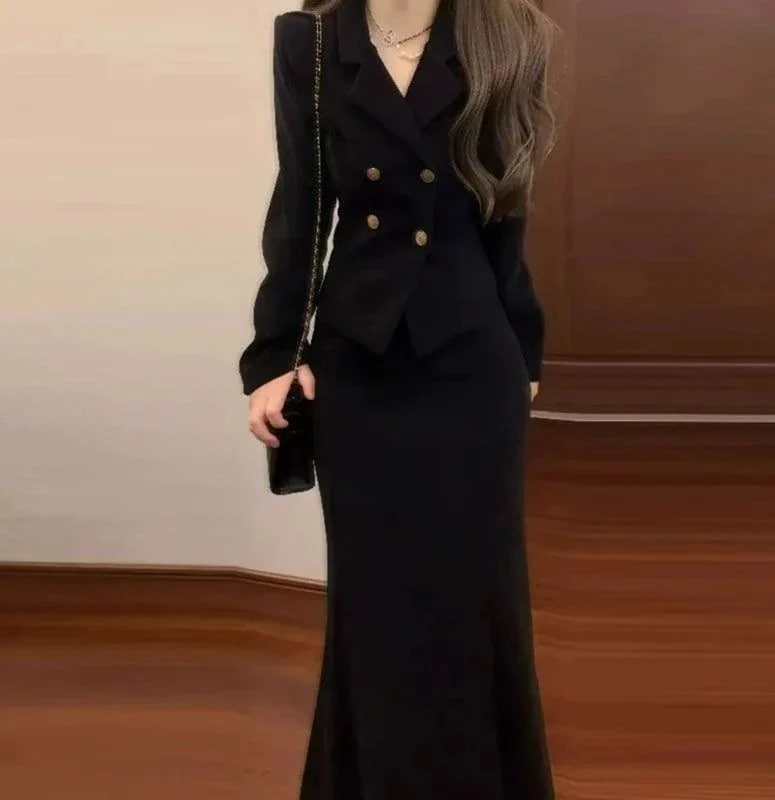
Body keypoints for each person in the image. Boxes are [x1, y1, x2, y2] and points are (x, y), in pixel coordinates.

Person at [238, 0, 557, 797]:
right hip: (360, 365)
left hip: (471, 365)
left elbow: (506, 207)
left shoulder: (510, 32)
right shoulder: (311, 40)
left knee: (478, 606)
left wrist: (522, 345)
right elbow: (302, 203)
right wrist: (277, 352)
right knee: (372, 609)